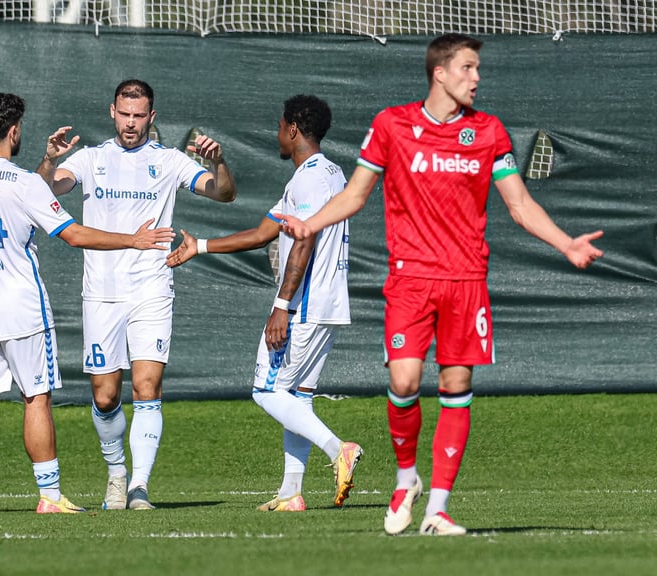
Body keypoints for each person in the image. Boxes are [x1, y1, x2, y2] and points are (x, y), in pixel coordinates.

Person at [279, 34, 604, 535]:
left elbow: (518, 204)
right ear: (441, 73)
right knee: (404, 382)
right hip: (410, 281)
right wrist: (311, 223)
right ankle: (406, 479)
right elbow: (356, 195)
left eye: (477, 69)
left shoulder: (489, 131)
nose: (477, 78)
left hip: (467, 281)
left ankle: (438, 509)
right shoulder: (392, 126)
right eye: (469, 68)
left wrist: (567, 244)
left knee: (456, 385)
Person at [0, 92, 175, 515]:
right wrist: (133, 239)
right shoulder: (22, 182)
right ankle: (50, 497)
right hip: (21, 309)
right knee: (36, 398)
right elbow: (73, 235)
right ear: (14, 130)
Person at [35, 79, 237, 510]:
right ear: (112, 112)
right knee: (105, 395)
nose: (131, 123)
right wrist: (50, 162)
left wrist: (219, 164)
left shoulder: (169, 161)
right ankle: (116, 473)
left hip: (152, 287)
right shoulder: (90, 159)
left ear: (152, 117)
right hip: (102, 294)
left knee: (147, 386)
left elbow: (223, 193)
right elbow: (46, 190)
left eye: (139, 115)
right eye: (124, 115)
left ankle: (139, 486)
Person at [167, 95, 363, 511]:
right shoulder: (326, 173)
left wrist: (282, 306)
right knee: (297, 396)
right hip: (328, 303)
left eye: (279, 126)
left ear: (293, 129)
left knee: (265, 391)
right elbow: (262, 233)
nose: (277, 133)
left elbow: (304, 238)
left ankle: (337, 449)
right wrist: (199, 246)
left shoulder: (309, 179)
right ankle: (291, 493)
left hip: (305, 304)